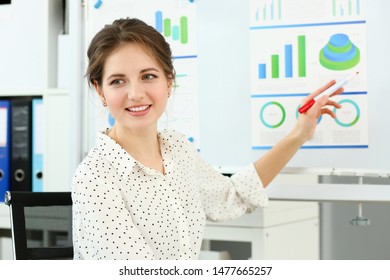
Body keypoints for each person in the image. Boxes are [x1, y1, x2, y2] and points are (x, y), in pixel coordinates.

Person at [71, 18, 342, 260]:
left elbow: (231, 197)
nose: (135, 93)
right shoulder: (95, 178)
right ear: (100, 90)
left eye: (148, 76)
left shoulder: (176, 148)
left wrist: (299, 134)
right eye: (118, 81)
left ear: (168, 81)